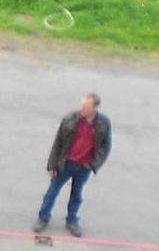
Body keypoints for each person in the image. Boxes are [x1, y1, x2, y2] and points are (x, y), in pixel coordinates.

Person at [37, 92, 111, 237]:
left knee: (76, 194)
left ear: (95, 108)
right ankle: (43, 218)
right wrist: (52, 166)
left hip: (84, 167)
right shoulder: (70, 119)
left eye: (86, 106)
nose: (82, 108)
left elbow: (105, 147)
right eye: (82, 105)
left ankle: (72, 221)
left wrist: (93, 164)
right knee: (52, 192)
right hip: (66, 163)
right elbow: (58, 143)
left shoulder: (104, 123)